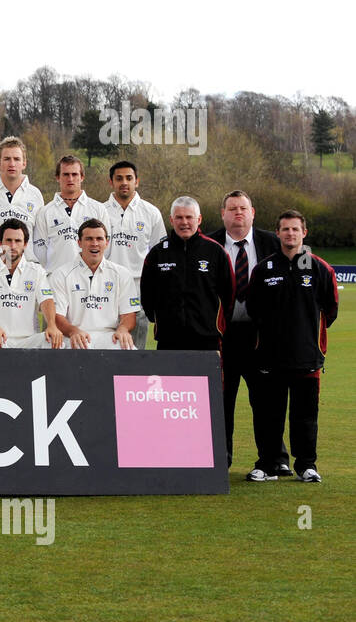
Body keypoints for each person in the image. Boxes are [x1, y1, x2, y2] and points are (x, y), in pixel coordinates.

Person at [245, 210, 337, 484]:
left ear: (304, 233)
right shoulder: (264, 269)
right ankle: (268, 464)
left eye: (295, 229)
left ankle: (306, 465)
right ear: (277, 233)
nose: (290, 234)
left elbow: (330, 310)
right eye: (285, 229)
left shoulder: (320, 268)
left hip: (306, 357)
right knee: (268, 416)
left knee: (305, 417)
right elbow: (253, 308)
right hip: (269, 358)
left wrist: (309, 337)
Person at [208, 190, 284, 471]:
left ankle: (275, 459)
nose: (238, 213)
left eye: (243, 208)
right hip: (221, 337)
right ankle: (221, 459)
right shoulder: (210, 243)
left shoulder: (272, 243)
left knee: (266, 400)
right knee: (221, 400)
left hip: (259, 338)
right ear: (223, 214)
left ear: (252, 212)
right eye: (232, 208)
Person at [140, 196, 234, 351]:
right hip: (168, 338)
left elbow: (228, 294)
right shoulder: (157, 253)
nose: (184, 222)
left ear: (199, 219)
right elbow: (147, 294)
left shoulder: (215, 251)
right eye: (179, 217)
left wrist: (213, 323)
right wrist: (158, 319)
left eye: (189, 217)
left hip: (207, 338)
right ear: (171, 220)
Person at [0, 219, 63, 349]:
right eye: (8, 241)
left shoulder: (36, 270)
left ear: (25, 244)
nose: (13, 246)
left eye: (18, 241)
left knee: (54, 341)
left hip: (28, 340)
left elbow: (46, 300)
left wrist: (52, 326)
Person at [102, 160, 164, 348]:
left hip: (137, 293)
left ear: (137, 181)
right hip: (104, 293)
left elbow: (158, 258)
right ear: (110, 182)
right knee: (103, 353)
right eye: (119, 178)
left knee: (135, 356)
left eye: (129, 178)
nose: (124, 182)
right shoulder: (99, 211)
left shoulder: (151, 213)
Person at [50, 219, 138, 349]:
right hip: (74, 335)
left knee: (127, 348)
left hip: (109, 336)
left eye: (99, 239)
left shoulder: (122, 273)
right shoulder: (61, 274)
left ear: (107, 242)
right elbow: (57, 316)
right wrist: (73, 331)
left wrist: (123, 329)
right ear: (79, 242)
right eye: (89, 239)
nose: (94, 243)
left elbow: (129, 314)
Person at [32, 155, 107, 274]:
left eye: (75, 174)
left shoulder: (98, 209)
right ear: (58, 177)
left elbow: (104, 247)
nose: (70, 179)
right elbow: (40, 251)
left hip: (89, 280)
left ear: (82, 177)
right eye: (66, 174)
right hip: (55, 281)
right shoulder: (45, 212)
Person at [0, 136, 43, 264]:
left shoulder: (35, 195)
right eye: (7, 159)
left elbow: (39, 239)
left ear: (24, 163)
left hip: (26, 272)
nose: (12, 164)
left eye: (17, 159)